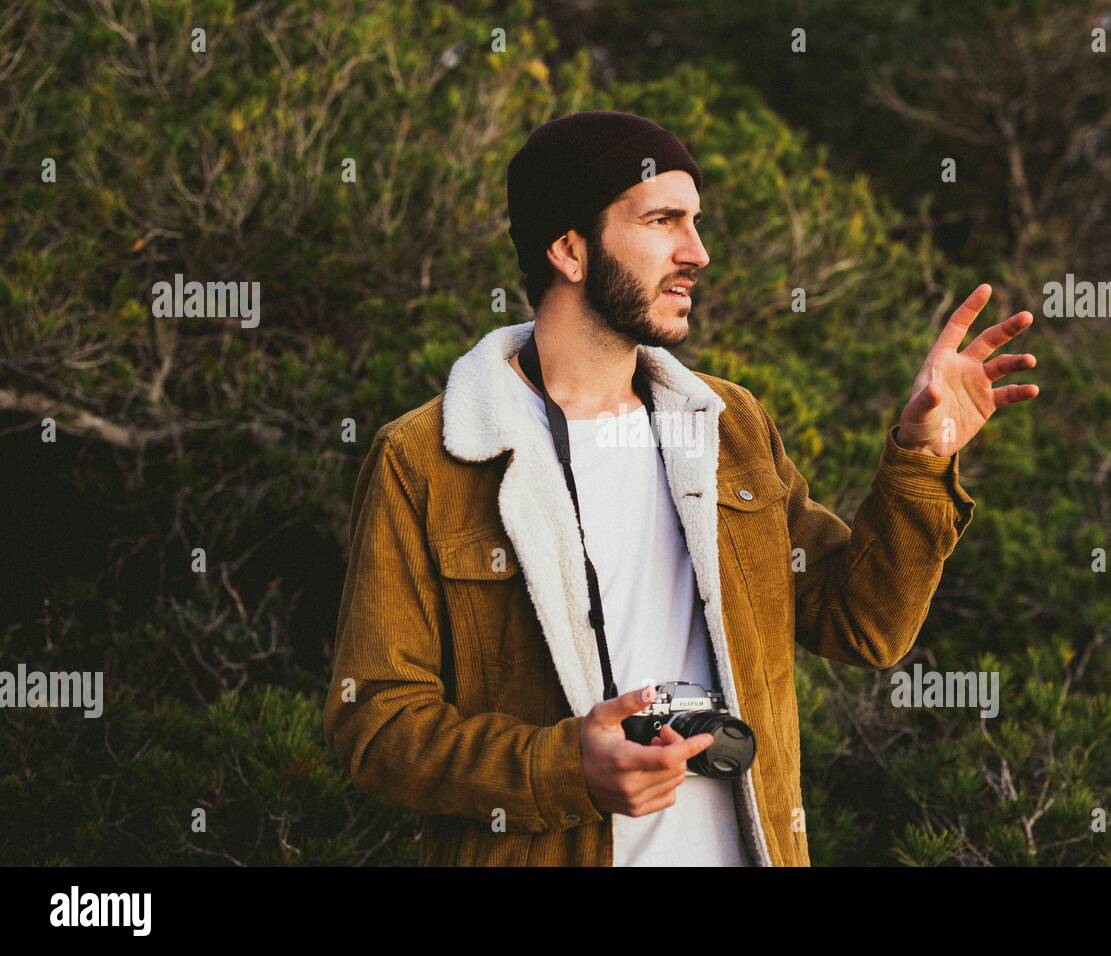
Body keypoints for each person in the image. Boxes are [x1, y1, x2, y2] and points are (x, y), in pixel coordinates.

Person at [323, 111, 1039, 866]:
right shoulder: (428, 458)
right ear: (568, 248)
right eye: (664, 220)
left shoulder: (728, 427)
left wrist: (919, 460)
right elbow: (373, 723)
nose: (696, 252)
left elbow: (864, 624)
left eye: (695, 222)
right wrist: (566, 768)